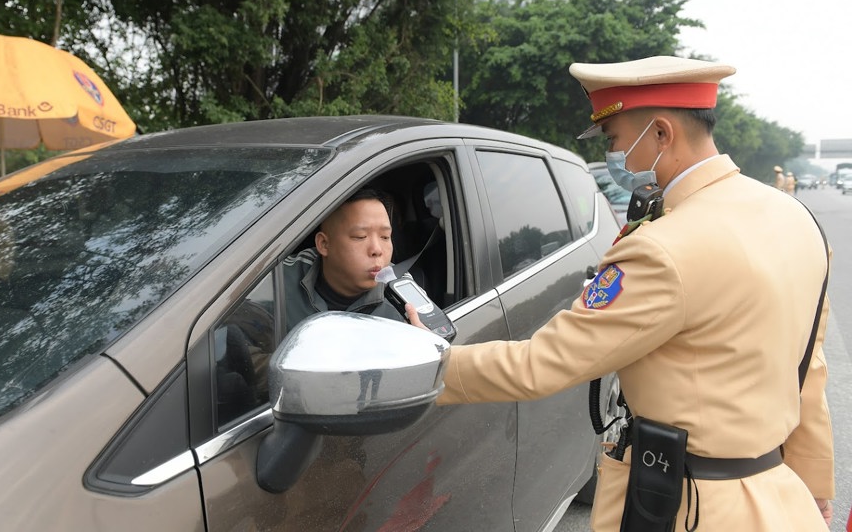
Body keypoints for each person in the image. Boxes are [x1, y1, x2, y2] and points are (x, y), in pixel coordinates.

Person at [409, 56, 833, 531]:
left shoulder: (663, 248)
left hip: (690, 508)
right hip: (778, 499)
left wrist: (425, 368)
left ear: (661, 133)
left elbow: (542, 364)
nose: (616, 158)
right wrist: (813, 480)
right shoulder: (796, 220)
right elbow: (809, 369)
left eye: (614, 140)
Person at [282, 189, 407, 329]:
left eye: (385, 237)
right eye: (360, 236)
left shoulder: (404, 294)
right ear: (324, 244)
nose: (377, 250)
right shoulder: (279, 278)